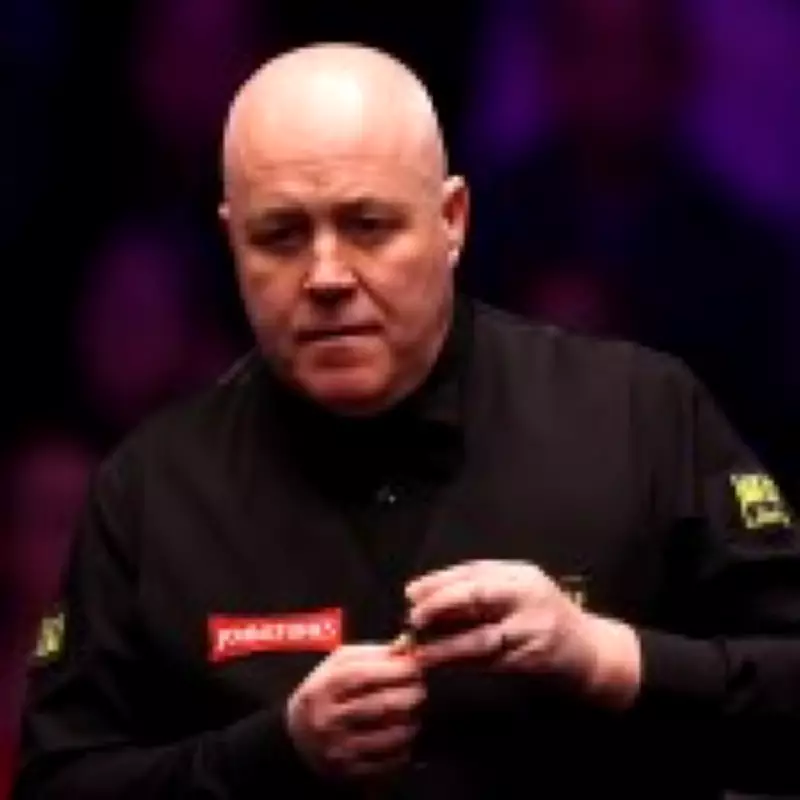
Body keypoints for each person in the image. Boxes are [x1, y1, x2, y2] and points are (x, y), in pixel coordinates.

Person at [12, 42, 800, 800]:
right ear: (231, 241)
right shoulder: (149, 493)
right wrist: (272, 755)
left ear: (452, 220)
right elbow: (59, 782)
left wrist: (606, 657)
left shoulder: (639, 416)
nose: (325, 275)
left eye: (368, 225)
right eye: (280, 236)